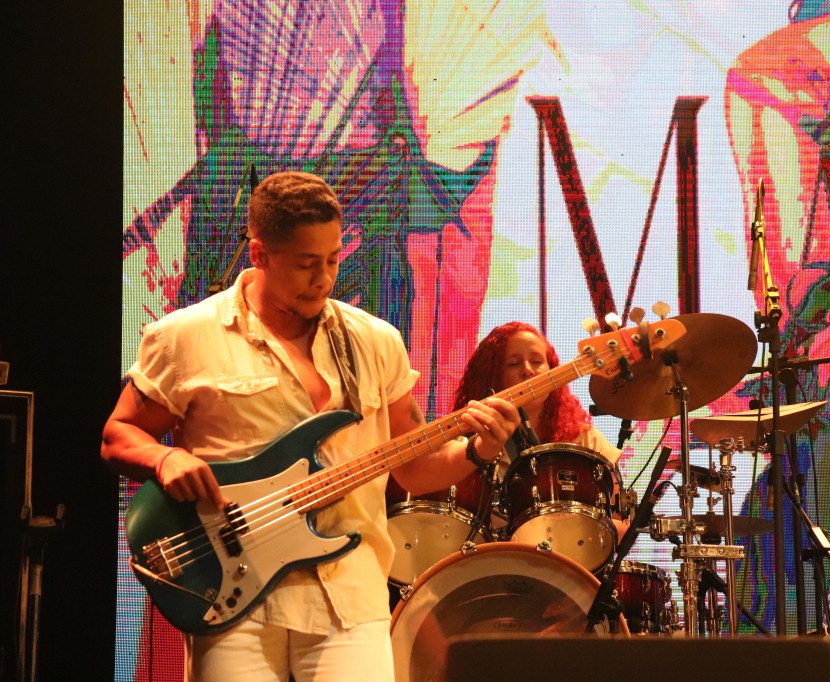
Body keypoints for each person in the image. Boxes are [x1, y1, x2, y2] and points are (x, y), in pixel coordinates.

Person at [100, 171, 520, 682]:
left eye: (333, 260)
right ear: (259, 254)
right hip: (235, 595)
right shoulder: (185, 336)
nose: (323, 278)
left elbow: (412, 470)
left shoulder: (375, 340)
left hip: (350, 595)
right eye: (305, 264)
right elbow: (118, 435)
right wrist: (165, 457)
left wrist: (477, 451)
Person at [450, 321, 629, 542]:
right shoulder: (464, 442)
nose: (528, 370)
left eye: (537, 361)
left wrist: (577, 529)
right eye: (513, 364)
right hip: (488, 559)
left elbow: (622, 524)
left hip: (567, 559)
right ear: (492, 375)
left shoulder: (583, 437)